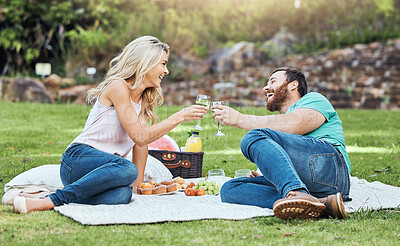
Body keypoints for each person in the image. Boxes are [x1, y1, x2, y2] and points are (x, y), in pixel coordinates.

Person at [12, 36, 208, 214]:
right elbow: (139, 136)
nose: (166, 71)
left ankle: (37, 198)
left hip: (104, 169)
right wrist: (179, 116)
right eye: (163, 64)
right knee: (127, 169)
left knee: (122, 195)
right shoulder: (118, 87)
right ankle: (51, 200)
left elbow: (140, 144)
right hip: (78, 160)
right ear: (146, 62)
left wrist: (137, 186)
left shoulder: (143, 99)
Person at [211, 67, 350, 220]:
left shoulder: (314, 99)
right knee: (230, 189)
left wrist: (240, 119)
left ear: (293, 85)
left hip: (331, 171)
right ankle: (318, 204)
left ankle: (298, 193)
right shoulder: (276, 129)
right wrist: (274, 174)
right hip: (310, 183)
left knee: (253, 136)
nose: (265, 87)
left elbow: (294, 124)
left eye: (273, 81)